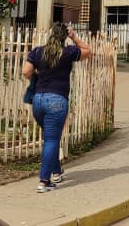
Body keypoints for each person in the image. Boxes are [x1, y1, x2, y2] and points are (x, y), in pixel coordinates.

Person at [22, 23, 92, 193]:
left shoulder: (38, 51)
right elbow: (88, 51)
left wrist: (38, 76)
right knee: (52, 140)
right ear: (64, 36)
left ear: (51, 34)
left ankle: (56, 172)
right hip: (57, 101)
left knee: (49, 138)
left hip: (38, 101)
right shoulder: (68, 52)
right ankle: (44, 182)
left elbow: (26, 72)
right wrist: (74, 36)